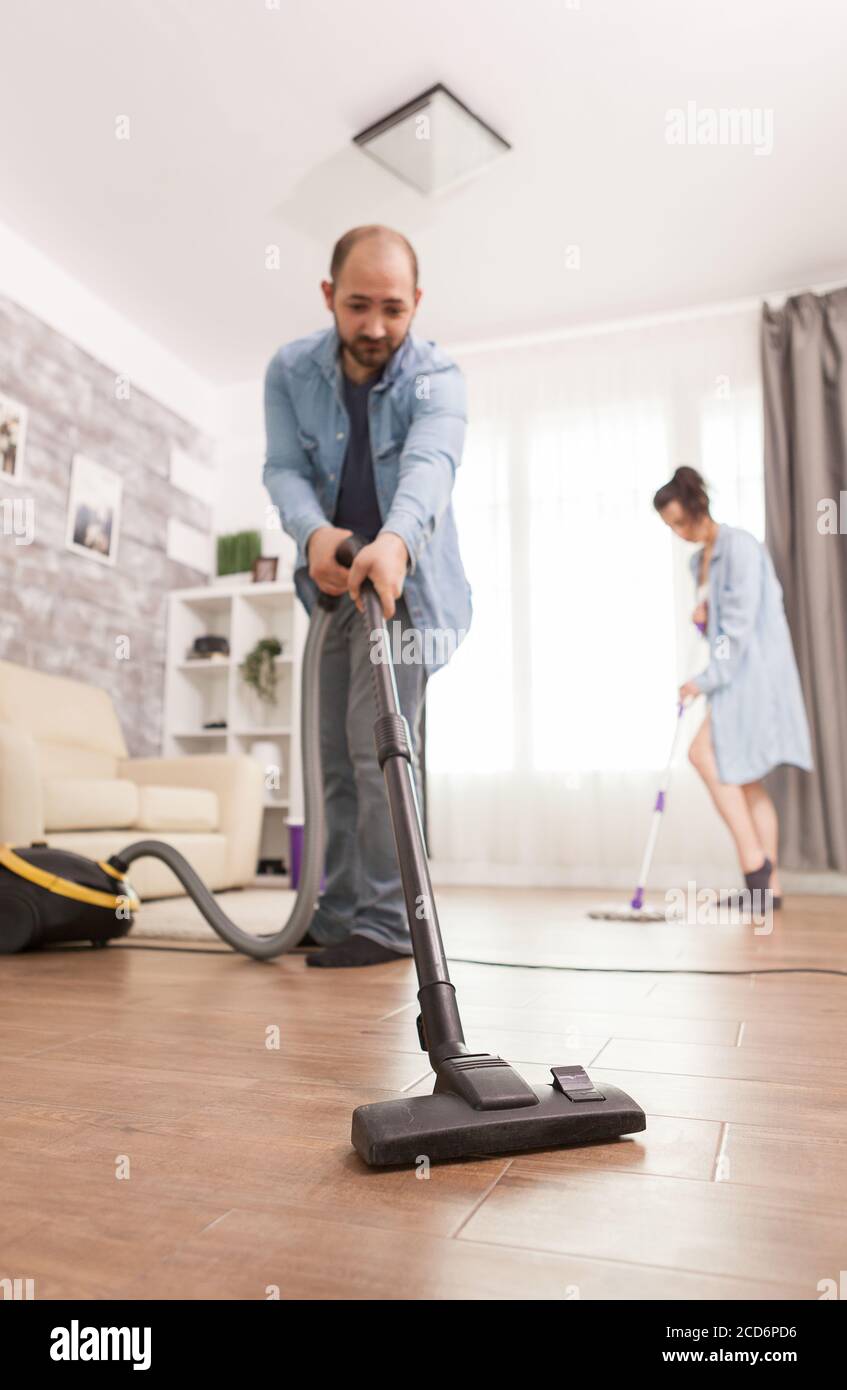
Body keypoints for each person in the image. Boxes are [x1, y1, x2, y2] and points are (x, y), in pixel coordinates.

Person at [263, 225, 471, 967]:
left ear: (416, 302)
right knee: (328, 753)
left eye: (393, 308)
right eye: (357, 306)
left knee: (374, 747)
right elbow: (284, 468)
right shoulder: (289, 371)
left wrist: (395, 540)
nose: (375, 326)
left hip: (402, 586)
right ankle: (338, 906)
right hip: (330, 584)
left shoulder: (438, 379)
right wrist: (315, 533)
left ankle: (385, 922)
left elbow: (430, 467)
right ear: (328, 296)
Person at [654, 466, 813, 908]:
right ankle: (767, 890)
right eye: (670, 527)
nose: (679, 533)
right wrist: (704, 622)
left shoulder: (739, 547)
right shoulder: (696, 560)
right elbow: (722, 631)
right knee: (744, 779)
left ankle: (755, 864)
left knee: (702, 753)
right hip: (732, 677)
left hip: (754, 678)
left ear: (696, 507)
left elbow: (740, 629)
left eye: (679, 522)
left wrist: (703, 681)